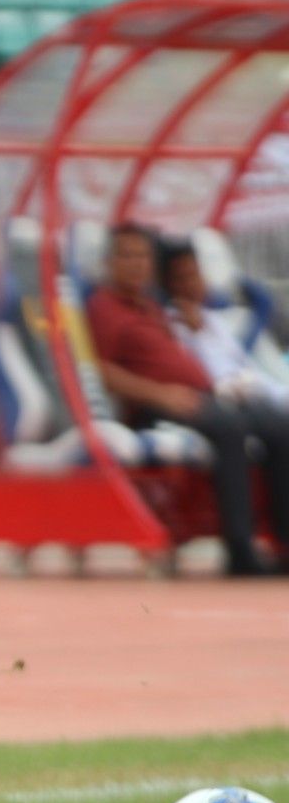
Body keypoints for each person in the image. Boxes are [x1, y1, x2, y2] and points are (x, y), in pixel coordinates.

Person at [89, 225, 289, 576]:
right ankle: (240, 551)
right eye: (127, 255)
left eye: (143, 256)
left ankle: (284, 542)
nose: (137, 264)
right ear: (109, 262)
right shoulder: (103, 308)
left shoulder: (151, 306)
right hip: (156, 407)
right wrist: (160, 394)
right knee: (231, 427)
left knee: (279, 423)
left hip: (202, 397)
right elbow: (101, 371)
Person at [162, 243, 289, 410]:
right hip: (238, 407)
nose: (192, 283)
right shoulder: (169, 325)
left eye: (195, 274)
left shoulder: (212, 318)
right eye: (182, 278)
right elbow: (222, 381)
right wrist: (197, 334)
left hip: (267, 397)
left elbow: (246, 366)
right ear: (168, 284)